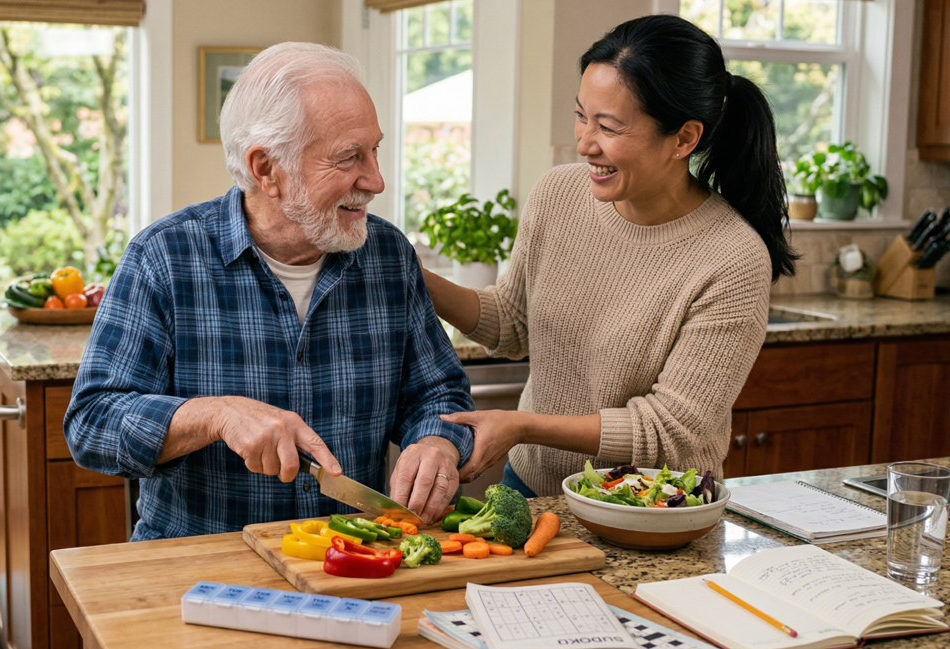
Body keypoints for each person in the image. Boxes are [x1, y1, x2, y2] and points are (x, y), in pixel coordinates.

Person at [64, 43, 473, 540]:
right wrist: (214, 414)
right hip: (199, 567)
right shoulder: (164, 257)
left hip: (350, 562)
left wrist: (437, 442)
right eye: (349, 157)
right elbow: (91, 425)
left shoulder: (388, 256)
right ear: (265, 170)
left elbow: (437, 392)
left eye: (375, 150)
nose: (376, 180)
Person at [423, 15, 796, 497]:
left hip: (652, 508)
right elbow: (512, 323)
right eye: (582, 116)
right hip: (533, 487)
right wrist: (413, 274)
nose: (583, 143)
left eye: (608, 127)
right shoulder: (558, 194)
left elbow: (667, 430)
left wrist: (522, 425)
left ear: (684, 138)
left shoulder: (732, 257)